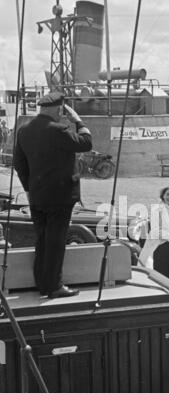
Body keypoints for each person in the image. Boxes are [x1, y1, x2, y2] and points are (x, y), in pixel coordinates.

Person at [14, 91, 92, 298]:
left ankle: (42, 283)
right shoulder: (58, 130)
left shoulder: (24, 131)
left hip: (37, 196)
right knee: (56, 241)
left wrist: (29, 189)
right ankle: (54, 286)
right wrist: (78, 120)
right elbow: (86, 142)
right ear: (59, 109)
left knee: (42, 239)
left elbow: (19, 164)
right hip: (60, 197)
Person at [138, 186, 169, 282]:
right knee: (160, 272)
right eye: (167, 194)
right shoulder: (157, 210)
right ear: (163, 196)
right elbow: (156, 231)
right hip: (159, 245)